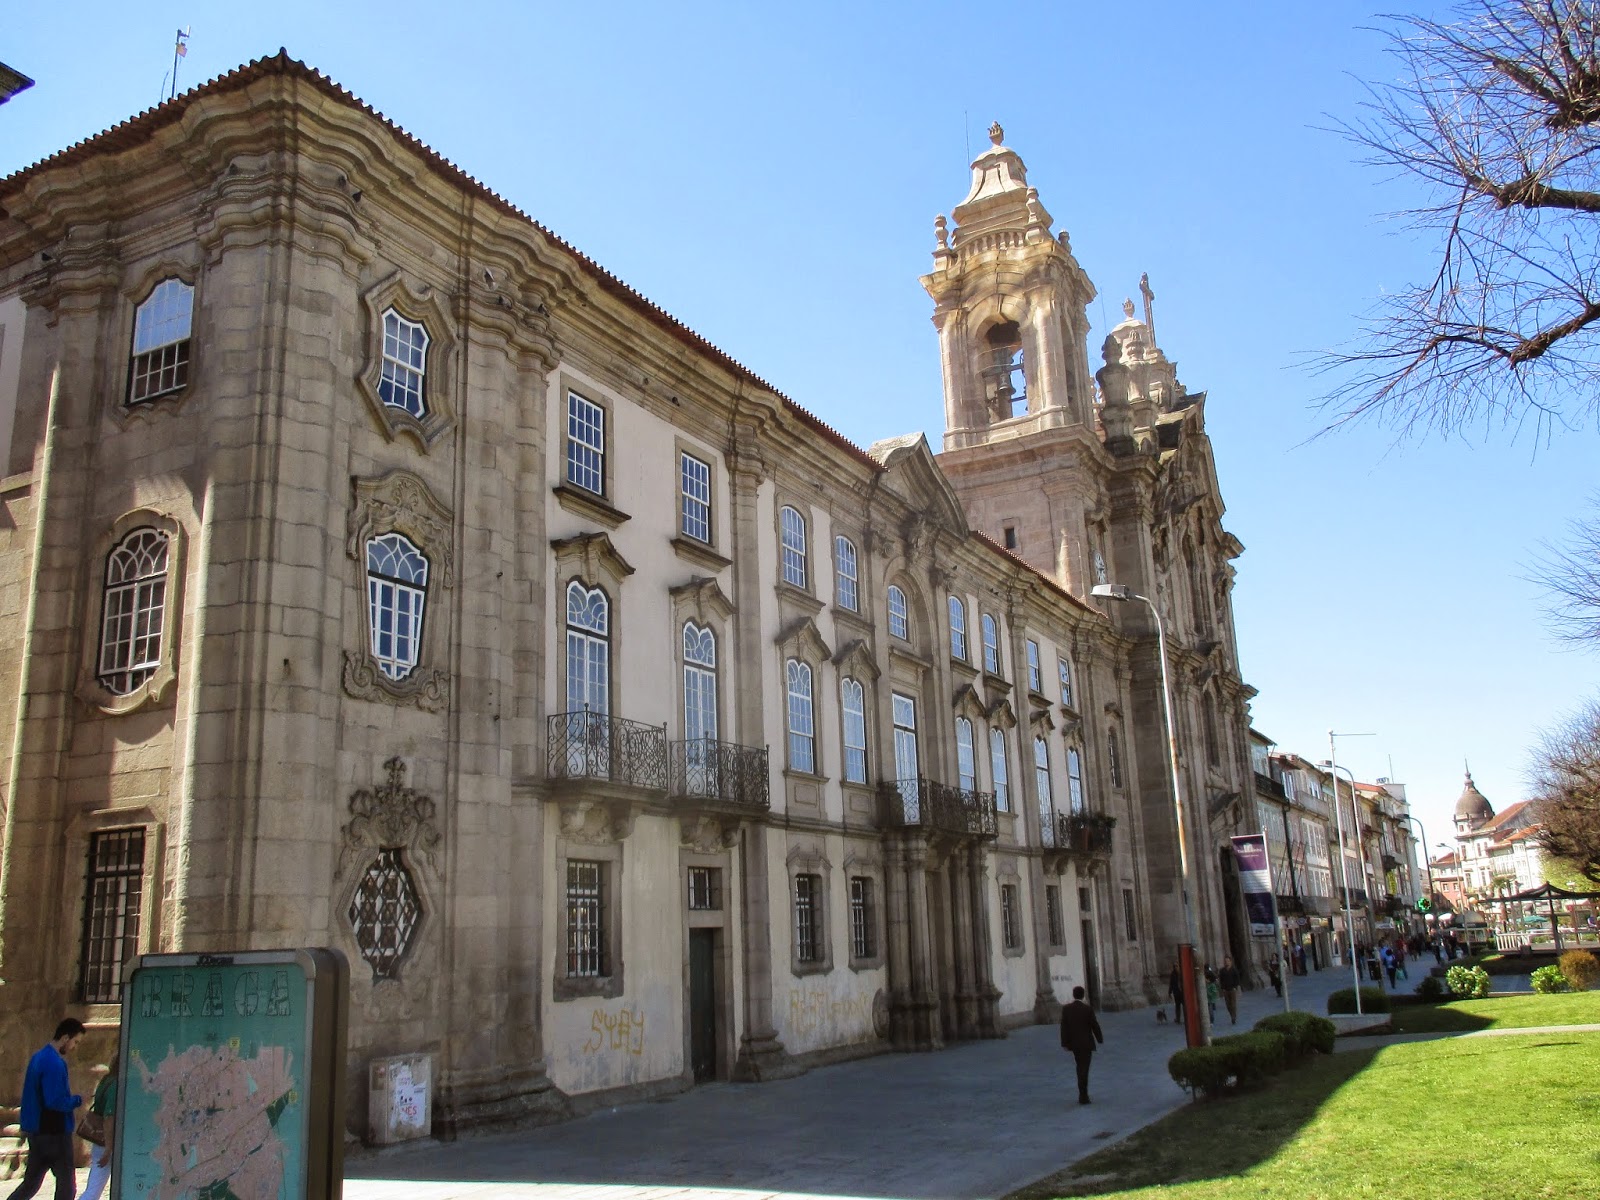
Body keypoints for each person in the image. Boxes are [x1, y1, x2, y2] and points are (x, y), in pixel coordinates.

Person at [6, 1017, 85, 1200]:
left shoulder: (38, 1057)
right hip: (54, 1133)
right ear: (65, 1038)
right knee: (66, 1188)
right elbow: (55, 1101)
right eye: (75, 1041)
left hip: (37, 1132)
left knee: (30, 1184)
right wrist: (78, 1100)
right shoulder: (54, 1063)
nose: (74, 1047)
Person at [80, 1053, 119, 1200]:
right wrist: (109, 1148)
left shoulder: (106, 1080)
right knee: (94, 1191)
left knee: (93, 1187)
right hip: (107, 1142)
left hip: (99, 1142)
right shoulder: (115, 1084)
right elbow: (109, 1117)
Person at [1059, 985, 1104, 1105]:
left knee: (1079, 1066)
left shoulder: (1066, 1009)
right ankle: (1083, 1095)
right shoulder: (1087, 1009)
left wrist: (1064, 1043)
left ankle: (1082, 1093)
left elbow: (1064, 1027)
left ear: (1073, 995)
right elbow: (1094, 1025)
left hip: (1074, 1044)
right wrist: (1099, 1038)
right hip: (1086, 1043)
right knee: (1084, 1068)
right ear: (1083, 995)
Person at [1218, 955, 1242, 1024]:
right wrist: (1222, 988)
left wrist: (1235, 987)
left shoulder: (1234, 970)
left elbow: (1237, 979)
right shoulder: (1222, 970)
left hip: (1232, 989)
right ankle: (1232, 1015)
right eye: (1225, 961)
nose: (1226, 962)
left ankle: (1233, 1017)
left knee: (1233, 1004)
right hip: (1225, 990)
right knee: (1228, 1005)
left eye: (1228, 961)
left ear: (1231, 962)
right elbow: (1221, 980)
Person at [1167, 961, 1186, 1028]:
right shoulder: (1173, 974)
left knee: (1184, 1006)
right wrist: (1169, 992)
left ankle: (1187, 1019)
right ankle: (1178, 1019)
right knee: (1177, 1006)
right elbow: (1171, 984)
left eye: (1176, 966)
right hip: (1176, 992)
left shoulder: (1182, 973)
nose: (1175, 967)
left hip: (1183, 992)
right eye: (1174, 966)